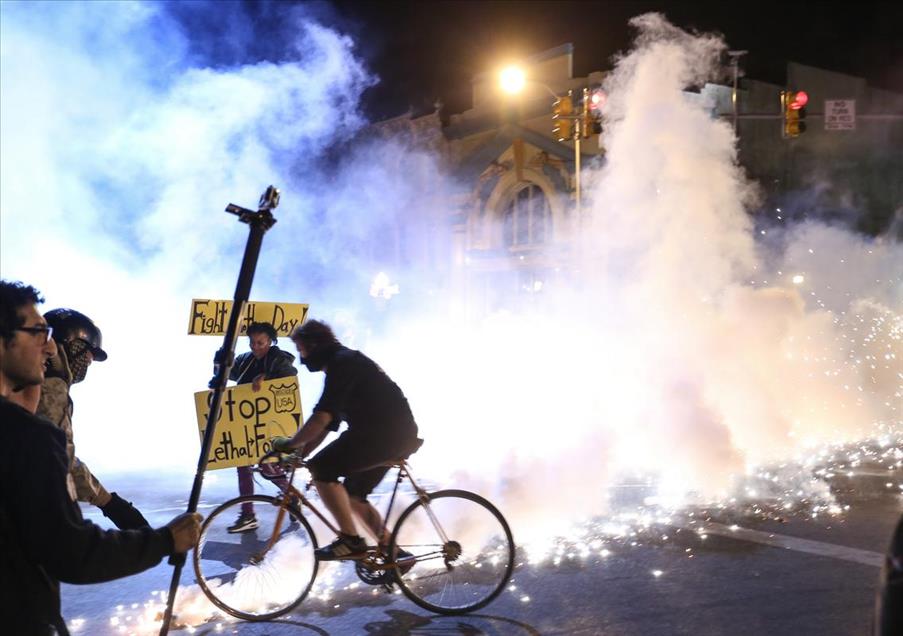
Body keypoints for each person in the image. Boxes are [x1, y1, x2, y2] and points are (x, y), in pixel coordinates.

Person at [0, 279, 201, 635]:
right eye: (37, 333)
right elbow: (69, 549)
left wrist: (111, 503)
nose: (45, 349)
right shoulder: (44, 403)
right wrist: (163, 540)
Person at [272, 319, 421, 561]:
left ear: (315, 345)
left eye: (302, 350)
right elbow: (328, 426)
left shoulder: (343, 363)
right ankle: (394, 554)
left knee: (322, 468)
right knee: (354, 493)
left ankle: (350, 540)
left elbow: (321, 417)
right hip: (391, 434)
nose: (301, 358)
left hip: (383, 434)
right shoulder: (342, 362)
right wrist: (300, 454)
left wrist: (290, 444)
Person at [35, 308, 148, 530]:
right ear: (69, 344)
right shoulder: (50, 386)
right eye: (87, 352)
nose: (88, 361)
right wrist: (109, 502)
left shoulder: (33, 379)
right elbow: (59, 459)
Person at [211, 321, 296, 533]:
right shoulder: (245, 360)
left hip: (268, 425)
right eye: (252, 343)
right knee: (243, 466)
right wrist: (220, 358)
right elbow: (226, 373)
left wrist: (267, 378)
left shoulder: (279, 358)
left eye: (260, 342)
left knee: (267, 468)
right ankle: (249, 515)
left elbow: (290, 377)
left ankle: (292, 497)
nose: (255, 347)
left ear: (270, 341)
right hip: (247, 425)